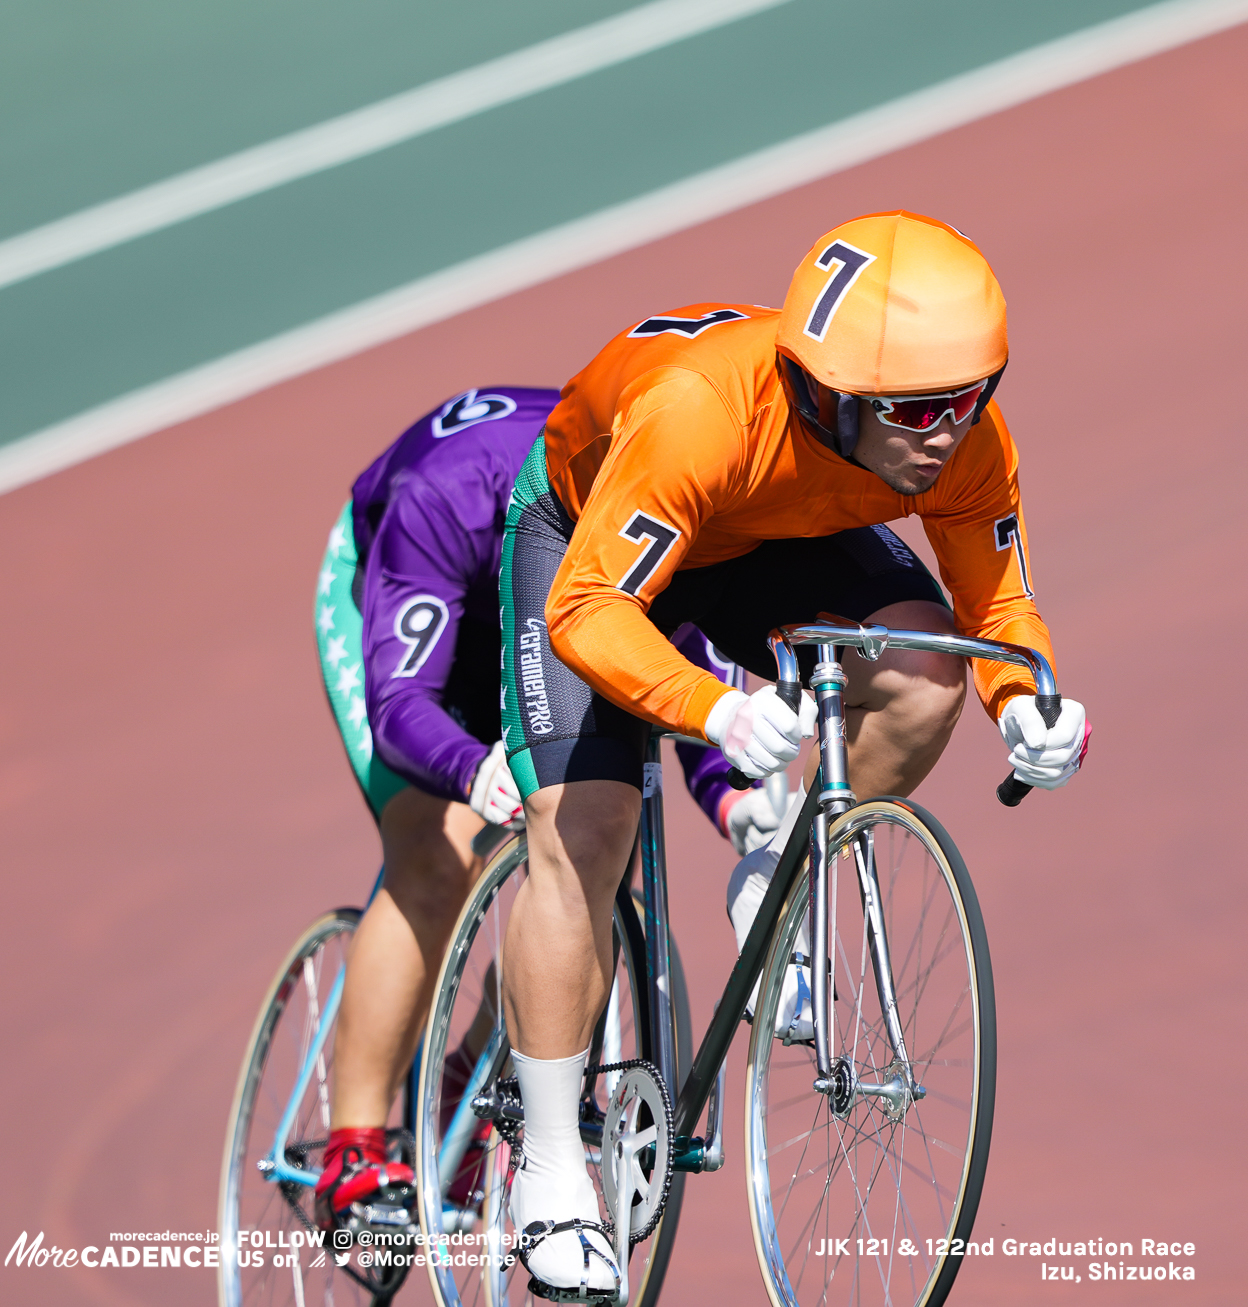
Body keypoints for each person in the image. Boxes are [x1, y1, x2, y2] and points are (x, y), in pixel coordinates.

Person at [492, 211, 1091, 1295]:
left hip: (764, 534)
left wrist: (1024, 699)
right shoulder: (695, 415)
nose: (946, 432)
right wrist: (709, 710)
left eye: (971, 395)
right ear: (825, 390)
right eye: (914, 409)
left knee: (921, 675)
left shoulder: (953, 439)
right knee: (587, 824)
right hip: (594, 535)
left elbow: (993, 604)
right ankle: (544, 1163)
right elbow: (588, 608)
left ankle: (778, 880)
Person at [308, 388, 784, 1233]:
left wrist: (732, 796)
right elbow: (399, 704)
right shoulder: (438, 504)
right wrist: (467, 768)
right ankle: (354, 1146)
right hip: (415, 609)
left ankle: (467, 1079)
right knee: (438, 847)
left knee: (586, 852)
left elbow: (684, 666)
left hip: (549, 615)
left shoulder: (652, 496)